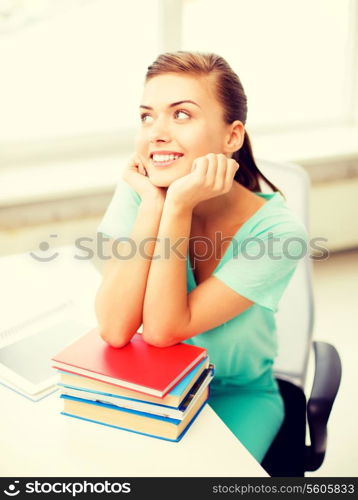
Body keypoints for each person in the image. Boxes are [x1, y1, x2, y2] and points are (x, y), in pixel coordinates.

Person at [95, 51, 308, 464]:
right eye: (146, 116)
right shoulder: (141, 193)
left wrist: (175, 208)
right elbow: (115, 328)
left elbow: (162, 330)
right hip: (151, 387)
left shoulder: (280, 234)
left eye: (181, 115)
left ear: (232, 137)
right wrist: (153, 207)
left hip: (234, 395)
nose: (156, 132)